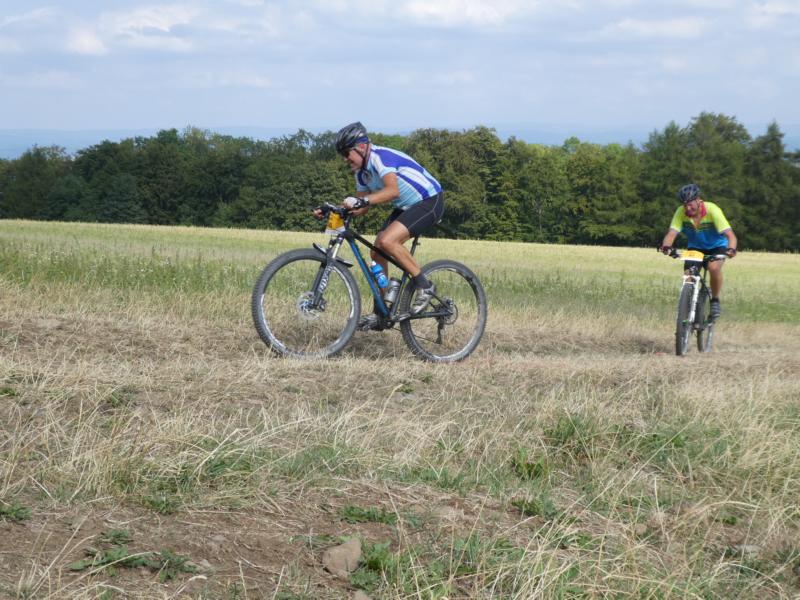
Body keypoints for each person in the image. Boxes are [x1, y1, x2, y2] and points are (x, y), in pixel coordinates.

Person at [330, 121, 444, 331]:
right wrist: (337, 209)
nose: (345, 159)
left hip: (429, 200)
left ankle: (426, 286)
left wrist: (363, 201)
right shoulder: (361, 172)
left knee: (387, 241)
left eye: (347, 153)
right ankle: (382, 314)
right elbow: (362, 207)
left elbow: (392, 191)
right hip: (406, 207)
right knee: (377, 253)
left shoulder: (379, 158)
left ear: (361, 147)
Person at [659, 183, 738, 319]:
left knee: (713, 268)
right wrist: (666, 247)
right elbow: (671, 233)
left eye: (690, 204)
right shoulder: (680, 212)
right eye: (685, 205)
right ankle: (688, 309)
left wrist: (731, 249)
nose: (688, 208)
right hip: (695, 247)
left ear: (698, 200)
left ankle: (715, 300)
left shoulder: (712, 210)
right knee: (688, 276)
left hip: (716, 246)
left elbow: (731, 235)